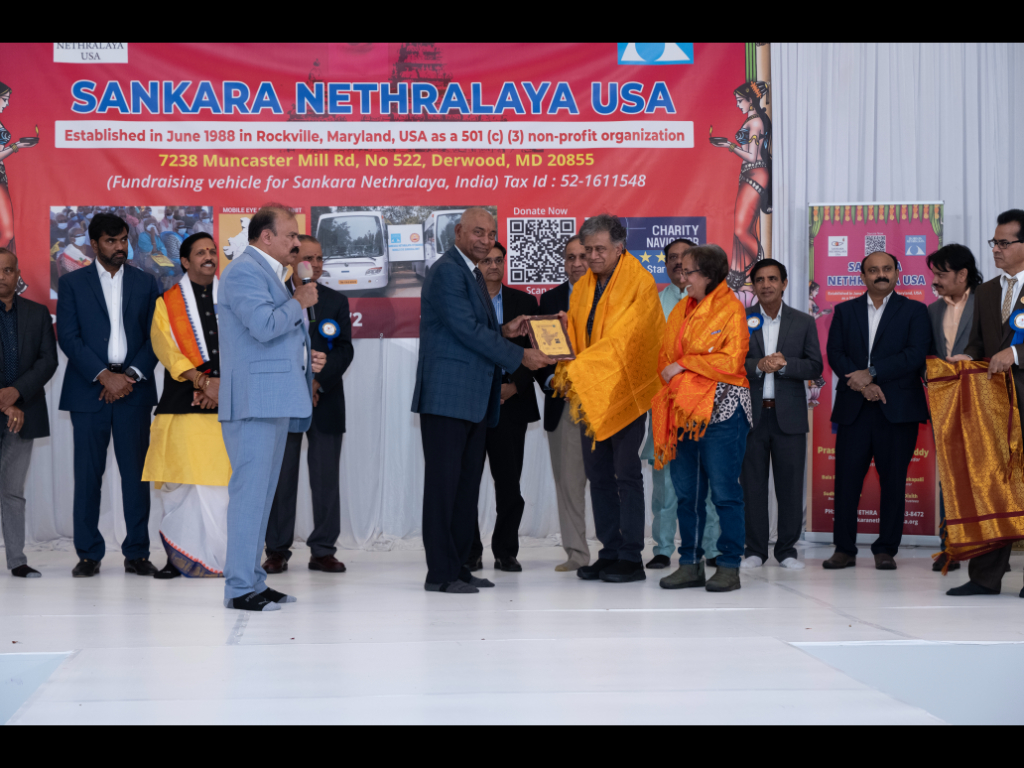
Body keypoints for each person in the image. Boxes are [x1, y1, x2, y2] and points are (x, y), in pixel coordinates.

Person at [412, 207, 553, 594]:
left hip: (474, 399)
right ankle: (440, 574)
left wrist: (505, 331)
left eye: (491, 234)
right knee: (444, 490)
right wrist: (520, 355)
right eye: (478, 232)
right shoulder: (447, 271)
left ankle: (458, 566)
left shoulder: (470, 273)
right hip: (448, 397)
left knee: (464, 491)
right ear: (458, 231)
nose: (485, 240)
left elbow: (474, 328)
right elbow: (466, 330)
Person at [218, 204, 323, 612]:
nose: (297, 243)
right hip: (254, 401)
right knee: (250, 496)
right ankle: (239, 588)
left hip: (273, 397)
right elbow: (263, 326)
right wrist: (298, 300)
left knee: (261, 498)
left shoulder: (270, 274)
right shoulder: (244, 272)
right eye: (290, 235)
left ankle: (254, 581)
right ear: (266, 237)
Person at [553, 214, 664, 584]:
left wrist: (582, 367)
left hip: (624, 393)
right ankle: (610, 550)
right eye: (588, 250)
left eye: (600, 249)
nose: (592, 257)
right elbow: (580, 333)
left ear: (620, 247)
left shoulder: (640, 282)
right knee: (598, 475)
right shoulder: (585, 285)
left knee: (626, 474)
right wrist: (560, 333)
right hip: (591, 395)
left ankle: (631, 556)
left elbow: (626, 339)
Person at [56, 212, 161, 578]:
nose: (119, 247)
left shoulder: (146, 282)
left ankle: (137, 553)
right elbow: (69, 337)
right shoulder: (72, 283)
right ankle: (88, 554)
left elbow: (155, 337)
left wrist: (128, 376)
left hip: (133, 389)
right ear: (94, 243)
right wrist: (104, 376)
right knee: (88, 476)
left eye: (123, 240)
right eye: (111, 241)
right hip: (90, 391)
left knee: (136, 476)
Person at [651, 245, 751, 592]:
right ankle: (689, 564)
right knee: (688, 495)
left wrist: (685, 364)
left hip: (723, 412)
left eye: (689, 270)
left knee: (724, 494)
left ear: (708, 275)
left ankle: (729, 566)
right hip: (683, 412)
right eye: (680, 269)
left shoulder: (731, 308)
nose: (682, 275)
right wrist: (679, 367)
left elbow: (731, 360)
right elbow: (665, 358)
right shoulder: (681, 308)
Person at [823, 251, 930, 571]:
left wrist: (871, 373)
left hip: (897, 410)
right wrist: (862, 385)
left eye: (886, 269)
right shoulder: (844, 311)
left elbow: (915, 354)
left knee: (894, 482)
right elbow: (835, 353)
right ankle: (844, 549)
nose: (880, 274)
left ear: (897, 273)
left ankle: (886, 549)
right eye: (873, 270)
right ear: (863, 276)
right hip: (855, 408)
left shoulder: (915, 311)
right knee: (846, 482)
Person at [142, 233, 231, 578]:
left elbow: (244, 344)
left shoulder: (233, 298)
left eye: (212, 251)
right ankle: (177, 559)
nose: (209, 257)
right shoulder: (167, 302)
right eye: (200, 252)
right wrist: (203, 382)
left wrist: (220, 386)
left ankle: (225, 559)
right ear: (184, 261)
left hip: (228, 403)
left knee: (220, 486)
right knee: (179, 485)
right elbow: (165, 348)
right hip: (182, 401)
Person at [945, 210, 1024, 597]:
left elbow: (1010, 350)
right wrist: (967, 357)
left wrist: (1017, 353)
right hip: (993, 407)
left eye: (1004, 242)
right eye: (994, 242)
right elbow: (978, 343)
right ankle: (985, 577)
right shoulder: (988, 291)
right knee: (992, 488)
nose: (996, 249)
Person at [265, 234, 354, 575]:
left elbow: (344, 349)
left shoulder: (335, 300)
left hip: (325, 400)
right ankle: (276, 550)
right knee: (281, 477)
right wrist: (298, 384)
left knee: (326, 477)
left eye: (320, 258)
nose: (315, 264)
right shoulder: (276, 297)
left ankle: (323, 550)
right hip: (284, 399)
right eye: (308, 258)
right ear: (292, 258)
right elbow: (269, 343)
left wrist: (317, 382)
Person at [641, 238, 723, 570]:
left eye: (685, 258)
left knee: (710, 481)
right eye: (672, 258)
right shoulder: (652, 304)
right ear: (665, 265)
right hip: (666, 406)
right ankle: (663, 548)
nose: (679, 263)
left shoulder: (714, 305)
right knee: (665, 485)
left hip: (706, 405)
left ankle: (711, 547)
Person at [740, 258, 822, 570]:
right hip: (751, 417)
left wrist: (785, 365)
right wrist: (758, 366)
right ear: (753, 286)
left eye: (773, 279)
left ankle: (787, 551)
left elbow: (815, 366)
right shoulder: (741, 319)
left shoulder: (803, 322)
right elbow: (731, 362)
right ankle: (754, 550)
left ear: (784, 283)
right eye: (760, 280)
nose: (766, 285)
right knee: (752, 486)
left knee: (790, 487)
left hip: (789, 417)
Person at [466, 241, 538, 572]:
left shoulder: (525, 303)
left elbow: (538, 353)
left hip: (511, 404)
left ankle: (506, 551)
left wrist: (515, 385)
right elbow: (463, 345)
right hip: (472, 402)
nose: (493, 266)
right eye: (486, 261)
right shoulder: (465, 302)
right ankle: (469, 550)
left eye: (499, 260)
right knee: (466, 481)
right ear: (476, 267)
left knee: (509, 484)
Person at [0, 249, 57, 577]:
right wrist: (5, 401)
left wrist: (16, 394)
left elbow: (48, 361)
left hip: (24, 412)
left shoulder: (37, 314)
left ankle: (17, 561)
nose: (1, 276)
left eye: (8, 270)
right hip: (12, 409)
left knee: (12, 490)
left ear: (18, 274)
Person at [925, 244, 981, 573]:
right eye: (933, 274)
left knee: (985, 477)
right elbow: (926, 356)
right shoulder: (932, 310)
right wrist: (931, 375)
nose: (935, 280)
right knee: (949, 478)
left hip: (983, 405)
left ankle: (988, 549)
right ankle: (952, 547)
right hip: (945, 405)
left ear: (962, 274)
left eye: (941, 274)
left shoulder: (988, 303)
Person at [538, 235, 590, 571]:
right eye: (570, 257)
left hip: (602, 403)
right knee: (568, 483)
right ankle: (577, 553)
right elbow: (539, 354)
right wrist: (550, 382)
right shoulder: (550, 300)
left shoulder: (609, 296)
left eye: (583, 256)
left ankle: (618, 551)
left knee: (611, 481)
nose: (577, 263)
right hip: (564, 402)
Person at [712, 80, 772, 293]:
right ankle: (740, 271)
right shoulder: (752, 120)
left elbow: (752, 155)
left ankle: (763, 266)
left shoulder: (755, 123)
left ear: (750, 100)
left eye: (740, 101)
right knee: (742, 227)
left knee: (741, 229)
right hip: (748, 173)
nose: (738, 105)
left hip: (755, 172)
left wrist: (728, 145)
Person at [0, 82, 37, 251]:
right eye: (4, 99)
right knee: (7, 233)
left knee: (7, 232)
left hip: (2, 176)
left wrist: (18, 145)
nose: (7, 104)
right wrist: (17, 146)